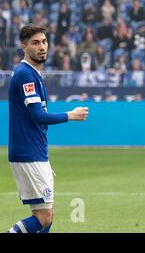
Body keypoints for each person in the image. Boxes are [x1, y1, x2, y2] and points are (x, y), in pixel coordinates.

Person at [7, 24, 88, 233]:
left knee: (47, 214)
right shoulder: (25, 74)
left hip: (35, 151)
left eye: (44, 42)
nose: (42, 47)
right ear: (24, 47)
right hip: (28, 153)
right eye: (35, 43)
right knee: (44, 216)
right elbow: (38, 116)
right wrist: (70, 115)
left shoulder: (33, 73)